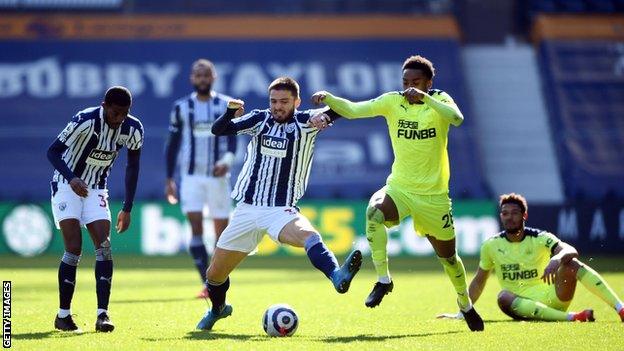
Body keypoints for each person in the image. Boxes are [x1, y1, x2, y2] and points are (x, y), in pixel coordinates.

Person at [310, 55, 483, 331]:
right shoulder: (393, 101)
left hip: (433, 197)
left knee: (449, 259)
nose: (409, 87)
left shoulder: (440, 101)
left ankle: (465, 303)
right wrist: (330, 98)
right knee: (373, 213)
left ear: (429, 83)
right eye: (405, 82)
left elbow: (458, 119)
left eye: (415, 82)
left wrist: (425, 99)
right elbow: (355, 110)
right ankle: (383, 280)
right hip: (400, 187)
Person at [195, 77, 362, 331]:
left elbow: (347, 108)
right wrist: (229, 112)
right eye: (274, 101)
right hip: (247, 209)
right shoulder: (259, 119)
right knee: (214, 276)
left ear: (297, 101)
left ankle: (337, 275)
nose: (278, 106)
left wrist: (328, 113)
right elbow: (219, 130)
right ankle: (218, 309)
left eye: (284, 102)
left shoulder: (307, 122)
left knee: (309, 235)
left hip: (280, 209)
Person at [46, 86, 144, 332]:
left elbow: (133, 167)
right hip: (67, 184)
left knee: (104, 246)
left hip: (96, 189)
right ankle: (63, 316)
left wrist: (128, 207)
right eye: (115, 113)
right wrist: (71, 178)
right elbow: (53, 151)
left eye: (124, 113)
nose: (118, 118)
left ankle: (103, 315)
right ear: (104, 106)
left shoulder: (133, 129)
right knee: (74, 248)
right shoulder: (85, 120)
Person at [439, 193, 624, 322]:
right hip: (519, 304)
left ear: (524, 215)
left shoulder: (541, 237)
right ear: (500, 216)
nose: (509, 217)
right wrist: (464, 311)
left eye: (514, 213)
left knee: (571, 263)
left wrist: (556, 259)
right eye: (505, 213)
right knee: (503, 296)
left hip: (555, 297)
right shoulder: (491, 245)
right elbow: (479, 281)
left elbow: (570, 249)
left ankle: (620, 308)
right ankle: (574, 317)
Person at [165, 59, 238, 298]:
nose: (202, 79)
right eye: (198, 75)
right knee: (195, 228)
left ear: (214, 77)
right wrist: (169, 178)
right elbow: (173, 144)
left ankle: (219, 279)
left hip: (218, 178)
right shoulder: (181, 108)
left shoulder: (226, 105)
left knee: (222, 234)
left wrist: (226, 161)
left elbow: (234, 137)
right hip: (191, 178)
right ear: (191, 79)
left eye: (206, 75)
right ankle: (208, 283)